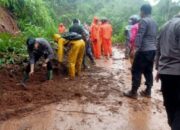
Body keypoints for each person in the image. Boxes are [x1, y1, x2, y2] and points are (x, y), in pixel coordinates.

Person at [124, 4, 157, 99]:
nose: (140, 13)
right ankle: (148, 91)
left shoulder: (144, 20)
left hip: (143, 50)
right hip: (152, 50)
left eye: (140, 11)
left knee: (136, 70)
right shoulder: (154, 22)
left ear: (142, 11)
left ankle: (133, 92)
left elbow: (140, 35)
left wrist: (134, 49)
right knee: (148, 70)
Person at [155, 15, 180, 130]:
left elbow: (158, 49)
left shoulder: (164, 26)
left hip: (165, 72)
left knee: (170, 105)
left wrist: (158, 68)